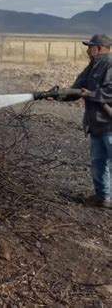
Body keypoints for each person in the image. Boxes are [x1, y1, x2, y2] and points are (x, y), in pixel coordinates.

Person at [60, 34, 112, 208]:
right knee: (98, 163)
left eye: (90, 46)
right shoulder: (91, 66)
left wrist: (89, 94)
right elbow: (77, 88)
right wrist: (59, 96)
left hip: (109, 125)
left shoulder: (109, 64)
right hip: (95, 125)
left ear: (100, 48)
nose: (87, 49)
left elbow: (109, 92)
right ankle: (103, 198)